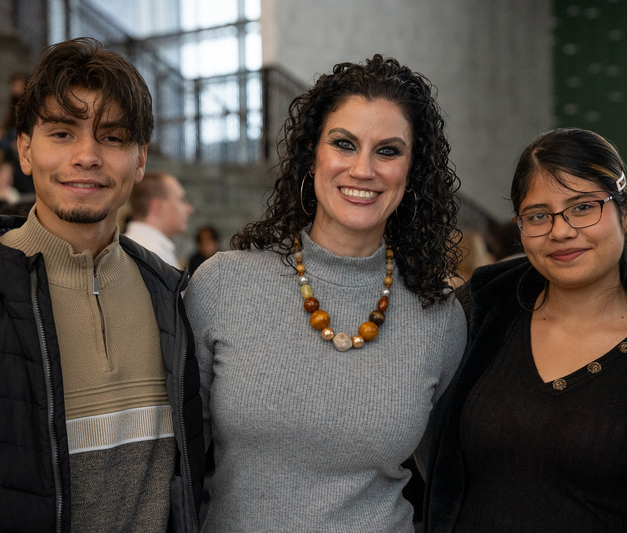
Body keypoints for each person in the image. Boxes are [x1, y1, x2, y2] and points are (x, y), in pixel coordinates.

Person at [422, 128, 627, 532]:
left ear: (626, 211)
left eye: (582, 208)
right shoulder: (476, 316)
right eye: (538, 216)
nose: (560, 231)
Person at [184, 54, 466, 532]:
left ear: (412, 170)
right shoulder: (222, 285)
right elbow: (178, 467)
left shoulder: (438, 313)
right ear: (312, 153)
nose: (363, 169)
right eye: (344, 144)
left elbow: (450, 483)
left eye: (388, 151)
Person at [0, 38, 204, 532]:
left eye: (112, 137)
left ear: (140, 159)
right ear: (25, 149)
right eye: (62, 133)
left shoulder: (173, 297)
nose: (87, 156)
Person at [124, 171, 194, 269]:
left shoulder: (126, 246)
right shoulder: (155, 255)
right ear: (158, 207)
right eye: (181, 200)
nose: (189, 209)